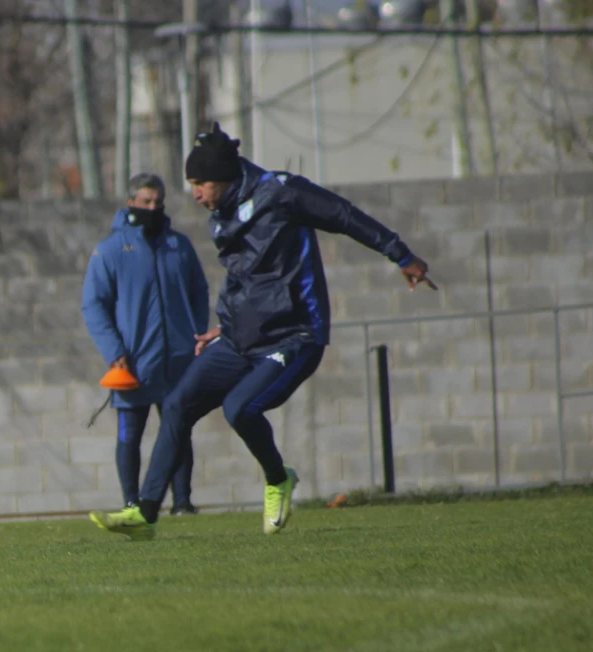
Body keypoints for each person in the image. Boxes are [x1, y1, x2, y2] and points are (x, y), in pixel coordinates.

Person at [90, 122, 436, 540]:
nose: (195, 193)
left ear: (222, 176)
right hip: (240, 340)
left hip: (296, 336)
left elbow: (345, 216)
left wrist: (400, 255)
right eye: (191, 184)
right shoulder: (220, 218)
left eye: (200, 183)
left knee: (240, 408)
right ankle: (145, 514)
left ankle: (278, 480)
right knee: (178, 402)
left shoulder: (282, 193)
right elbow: (244, 282)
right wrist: (224, 327)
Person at [81, 173, 210, 515]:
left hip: (179, 360)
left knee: (178, 430)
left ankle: (182, 503)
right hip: (133, 363)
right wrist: (115, 352)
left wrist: (196, 334)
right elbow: (93, 305)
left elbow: (199, 291)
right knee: (130, 434)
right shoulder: (110, 250)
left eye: (158, 202)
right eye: (146, 201)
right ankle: (131, 502)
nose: (153, 207)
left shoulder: (178, 246)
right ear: (131, 203)